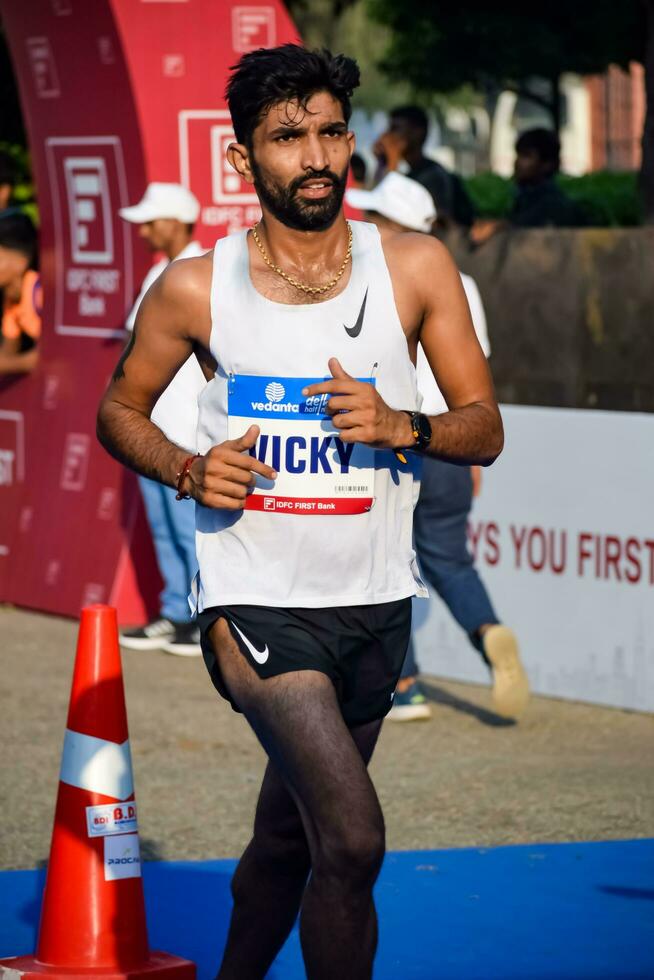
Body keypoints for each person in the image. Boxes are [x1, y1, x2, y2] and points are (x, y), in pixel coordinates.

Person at [97, 44, 503, 979]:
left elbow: (482, 428)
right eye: (287, 138)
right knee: (353, 841)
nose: (314, 156)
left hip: (374, 600)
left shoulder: (414, 267)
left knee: (290, 840)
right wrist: (190, 469)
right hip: (255, 601)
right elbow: (119, 409)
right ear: (243, 162)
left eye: (329, 133)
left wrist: (405, 424)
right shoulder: (197, 286)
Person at [347, 172, 528, 722]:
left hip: (392, 438)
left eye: (375, 216)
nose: (364, 224)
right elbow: (477, 383)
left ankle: (405, 684)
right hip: (450, 442)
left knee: (385, 558)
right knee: (450, 560)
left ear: (395, 225)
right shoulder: (463, 282)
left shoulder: (370, 276)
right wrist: (471, 454)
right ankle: (488, 630)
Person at [117, 183, 206, 656]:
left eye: (152, 221)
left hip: (187, 428)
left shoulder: (198, 272)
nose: (146, 230)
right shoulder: (159, 270)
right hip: (150, 426)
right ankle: (175, 613)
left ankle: (200, 618)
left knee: (188, 527)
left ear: (175, 222)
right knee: (162, 525)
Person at [471, 128, 587, 245]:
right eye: (518, 155)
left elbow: (525, 223)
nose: (517, 162)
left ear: (547, 164)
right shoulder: (523, 195)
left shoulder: (552, 202)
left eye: (526, 156)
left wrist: (497, 227)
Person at [373, 104, 475, 227]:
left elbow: (394, 212)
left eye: (395, 129)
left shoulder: (433, 176)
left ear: (418, 132)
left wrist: (392, 159)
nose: (388, 136)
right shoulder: (413, 172)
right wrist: (382, 163)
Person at [0, 212, 41, 375]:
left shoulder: (37, 287)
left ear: (21, 259)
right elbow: (9, 350)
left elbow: (49, 355)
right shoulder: (11, 299)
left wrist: (14, 364)